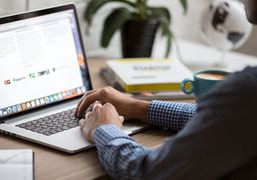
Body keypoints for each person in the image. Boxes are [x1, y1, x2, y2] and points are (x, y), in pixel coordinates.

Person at [76, 0, 257, 179]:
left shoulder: (248, 90)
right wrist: (139, 107)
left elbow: (145, 173)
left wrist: (104, 128)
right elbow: (224, 119)